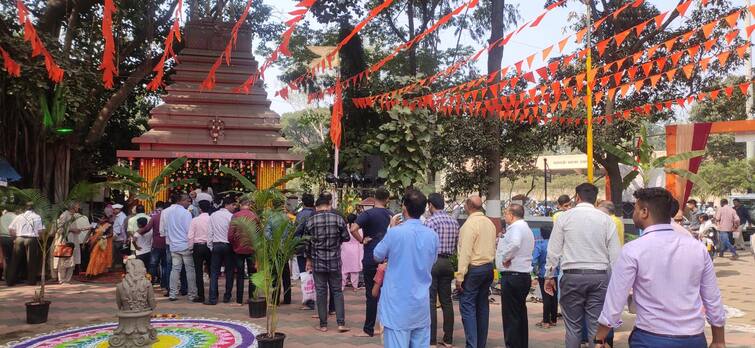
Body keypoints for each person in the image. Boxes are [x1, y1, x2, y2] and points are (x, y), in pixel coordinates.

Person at [595, 187, 726, 348]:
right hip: (693, 338)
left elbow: (616, 298)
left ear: (644, 212)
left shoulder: (633, 249)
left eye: (635, 209)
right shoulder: (696, 248)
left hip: (650, 337)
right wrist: (719, 339)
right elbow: (712, 297)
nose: (634, 213)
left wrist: (600, 338)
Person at [544, 183, 621, 348]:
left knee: (573, 327)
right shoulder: (606, 220)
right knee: (595, 326)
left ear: (577, 197)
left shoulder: (564, 217)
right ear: (595, 200)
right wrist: (617, 283)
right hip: (599, 277)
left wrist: (549, 276)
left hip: (572, 276)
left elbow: (553, 251)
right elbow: (615, 255)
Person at [374, 189, 438, 347]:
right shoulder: (432, 235)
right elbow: (433, 259)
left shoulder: (395, 233)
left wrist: (392, 228)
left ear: (404, 208)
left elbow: (377, 255)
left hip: (397, 305)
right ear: (424, 209)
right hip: (420, 305)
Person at [303, 194, 350, 333]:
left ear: (317, 207)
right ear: (329, 205)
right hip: (335, 260)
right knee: (337, 291)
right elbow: (346, 237)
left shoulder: (311, 221)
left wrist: (309, 259)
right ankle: (341, 324)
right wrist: (337, 242)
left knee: (321, 292)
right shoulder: (338, 218)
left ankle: (323, 325)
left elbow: (307, 243)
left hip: (318, 262)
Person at [350, 187, 394, 338]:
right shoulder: (392, 216)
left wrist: (362, 240)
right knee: (387, 293)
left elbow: (353, 228)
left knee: (371, 294)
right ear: (387, 199)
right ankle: (386, 326)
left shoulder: (367, 214)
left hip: (370, 257)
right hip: (388, 259)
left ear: (374, 198)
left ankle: (368, 329)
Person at [456, 195, 497, 348]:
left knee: (467, 306)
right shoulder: (489, 223)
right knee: (482, 306)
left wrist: (460, 276)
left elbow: (465, 252)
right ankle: (481, 344)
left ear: (468, 205)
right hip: (488, 268)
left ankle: (472, 344)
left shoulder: (469, 225)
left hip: (474, 269)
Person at [495, 203, 535, 348]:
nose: (504, 216)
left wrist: (505, 257)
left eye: (505, 213)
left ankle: (512, 344)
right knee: (519, 314)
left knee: (510, 316)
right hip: (523, 275)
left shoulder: (517, 228)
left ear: (511, 215)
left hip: (513, 275)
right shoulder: (526, 228)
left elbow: (515, 244)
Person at [423, 192, 459, 347]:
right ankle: (448, 339)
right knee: (446, 301)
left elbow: (424, 245)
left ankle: (431, 340)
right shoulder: (454, 222)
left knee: (430, 301)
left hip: (433, 262)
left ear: (430, 205)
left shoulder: (430, 222)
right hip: (448, 263)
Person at [162, 193, 197, 301]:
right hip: (185, 245)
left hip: (173, 245)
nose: (189, 203)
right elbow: (189, 231)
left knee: (175, 270)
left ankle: (172, 293)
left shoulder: (168, 212)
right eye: (187, 201)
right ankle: (192, 295)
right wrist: (191, 245)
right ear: (182, 200)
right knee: (190, 270)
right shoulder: (186, 213)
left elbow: (166, 229)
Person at [6, 202, 46, 286]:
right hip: (31, 239)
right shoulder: (37, 216)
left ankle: (10, 281)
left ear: (25, 208)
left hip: (19, 238)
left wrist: (15, 238)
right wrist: (40, 238)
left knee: (15, 260)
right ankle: (31, 281)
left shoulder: (19, 216)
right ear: (34, 209)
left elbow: (10, 228)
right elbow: (41, 230)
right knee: (31, 261)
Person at [207, 196, 237, 305]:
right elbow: (234, 233)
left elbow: (209, 232)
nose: (234, 207)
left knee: (214, 273)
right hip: (228, 246)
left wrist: (210, 246)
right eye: (233, 205)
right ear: (227, 205)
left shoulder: (213, 215)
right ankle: (227, 296)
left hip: (216, 245)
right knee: (229, 272)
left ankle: (213, 298)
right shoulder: (231, 217)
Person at [229, 197, 259, 305]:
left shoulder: (235, 216)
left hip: (238, 249)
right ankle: (252, 298)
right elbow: (259, 232)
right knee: (252, 274)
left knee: (240, 275)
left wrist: (234, 245)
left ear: (241, 205)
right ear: (249, 205)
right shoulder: (254, 216)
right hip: (251, 249)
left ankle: (239, 299)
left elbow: (231, 234)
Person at [53, 201, 90, 284]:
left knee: (72, 261)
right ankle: (62, 279)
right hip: (66, 241)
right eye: (77, 206)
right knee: (63, 261)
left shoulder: (74, 216)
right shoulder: (64, 215)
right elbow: (59, 229)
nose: (78, 208)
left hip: (74, 240)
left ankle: (68, 279)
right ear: (72, 207)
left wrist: (78, 230)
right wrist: (72, 230)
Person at [532, 226, 558, 329]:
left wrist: (535, 270)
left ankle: (546, 321)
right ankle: (554, 319)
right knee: (554, 296)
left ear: (542, 234)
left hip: (544, 273)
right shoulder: (555, 245)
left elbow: (534, 261)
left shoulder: (540, 245)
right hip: (554, 273)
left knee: (546, 296)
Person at [188, 200, 212, 303]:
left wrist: (190, 247)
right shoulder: (212, 219)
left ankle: (201, 295)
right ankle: (213, 294)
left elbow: (190, 236)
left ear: (200, 209)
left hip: (197, 247)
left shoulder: (195, 220)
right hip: (209, 247)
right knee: (212, 271)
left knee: (198, 272)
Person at [140, 202, 168, 289]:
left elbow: (147, 228)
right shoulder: (168, 218)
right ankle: (164, 284)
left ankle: (150, 282)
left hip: (156, 244)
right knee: (165, 265)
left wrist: (139, 232)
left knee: (153, 264)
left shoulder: (155, 217)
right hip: (167, 243)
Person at [294, 193, 316, 280]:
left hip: (302, 247)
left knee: (304, 274)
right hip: (315, 247)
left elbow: (297, 231)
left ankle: (307, 292)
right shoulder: (317, 213)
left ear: (303, 203)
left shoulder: (300, 215)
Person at [341, 213, 364, 291]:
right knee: (355, 270)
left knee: (344, 269)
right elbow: (361, 238)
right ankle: (355, 287)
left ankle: (342, 286)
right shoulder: (358, 229)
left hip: (345, 249)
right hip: (355, 250)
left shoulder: (344, 227)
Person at [1, 209, 19, 281]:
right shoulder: (16, 217)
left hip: (2, 238)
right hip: (12, 238)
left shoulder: (1, 217)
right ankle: (13, 277)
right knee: (13, 258)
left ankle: (6, 276)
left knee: (6, 258)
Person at [111, 204, 128, 270]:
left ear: (118, 209)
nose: (113, 210)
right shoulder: (118, 216)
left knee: (119, 254)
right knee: (116, 254)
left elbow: (122, 228)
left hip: (119, 239)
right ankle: (117, 267)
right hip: (117, 238)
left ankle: (122, 268)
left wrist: (116, 235)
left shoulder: (121, 216)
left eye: (115, 209)